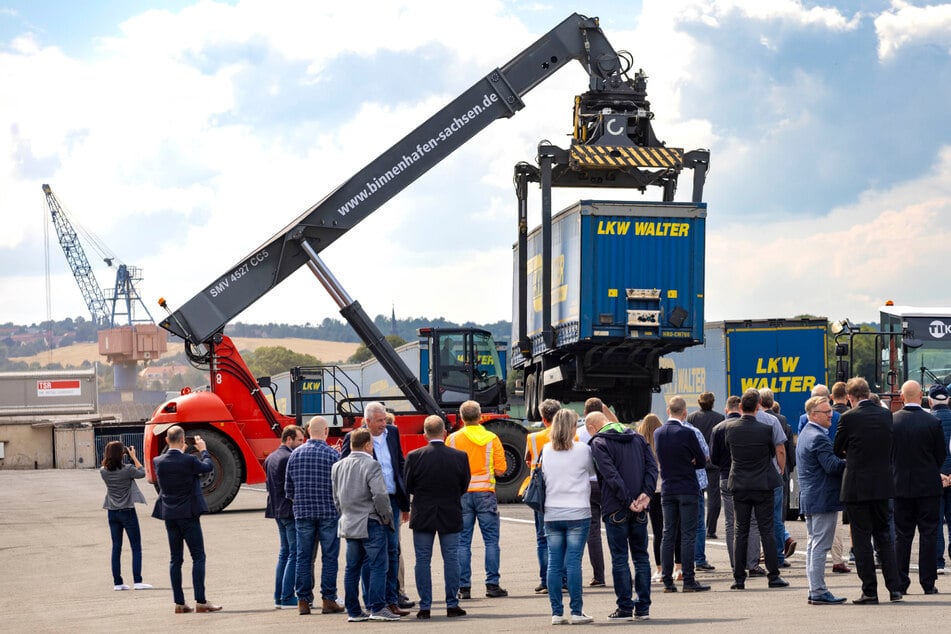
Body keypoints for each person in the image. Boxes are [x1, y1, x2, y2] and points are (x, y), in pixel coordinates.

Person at [833, 377, 903, 604]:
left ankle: (870, 591)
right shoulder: (885, 415)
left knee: (862, 539)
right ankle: (895, 589)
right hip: (883, 484)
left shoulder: (848, 417)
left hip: (857, 485)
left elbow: (837, 449)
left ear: (851, 397)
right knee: (885, 536)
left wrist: (851, 452)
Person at [341, 403, 410, 616]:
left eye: (384, 420)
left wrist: (405, 502)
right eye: (379, 421)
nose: (384, 424)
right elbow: (346, 472)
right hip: (369, 506)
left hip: (393, 501)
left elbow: (399, 463)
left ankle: (390, 600)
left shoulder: (393, 432)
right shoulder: (355, 438)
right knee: (370, 556)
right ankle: (373, 602)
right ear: (367, 421)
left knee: (392, 551)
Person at [588, 410, 657, 621]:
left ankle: (625, 607)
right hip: (640, 506)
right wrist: (645, 494)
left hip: (615, 506)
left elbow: (610, 475)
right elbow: (652, 466)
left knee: (620, 559)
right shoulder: (637, 437)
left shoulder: (598, 442)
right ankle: (643, 607)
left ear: (592, 427)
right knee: (641, 557)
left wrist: (628, 501)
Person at [404, 415, 470, 619]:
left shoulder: (414, 456)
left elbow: (408, 485)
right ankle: (452, 604)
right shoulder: (459, 456)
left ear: (424, 434)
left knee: (422, 560)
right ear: (444, 433)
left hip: (423, 512)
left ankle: (425, 606)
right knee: (451, 558)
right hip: (450, 511)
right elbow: (463, 485)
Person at [151, 426, 221, 613]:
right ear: (183, 441)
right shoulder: (189, 460)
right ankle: (201, 601)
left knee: (175, 559)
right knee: (198, 557)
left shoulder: (158, 461)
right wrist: (203, 450)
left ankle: (179, 603)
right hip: (188, 514)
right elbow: (207, 467)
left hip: (169, 515)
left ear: (166, 440)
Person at [723, 389, 788, 591]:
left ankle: (739, 578)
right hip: (763, 483)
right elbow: (773, 451)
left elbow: (728, 452)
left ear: (741, 407)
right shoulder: (765, 429)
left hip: (740, 484)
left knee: (740, 530)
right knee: (766, 529)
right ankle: (773, 575)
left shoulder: (731, 429)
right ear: (759, 405)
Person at [332, 428, 398, 622]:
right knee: (378, 565)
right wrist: (386, 517)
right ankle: (377, 607)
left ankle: (353, 611)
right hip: (371, 521)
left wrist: (344, 514)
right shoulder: (371, 465)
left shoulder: (338, 466)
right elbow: (379, 495)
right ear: (368, 445)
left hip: (349, 521)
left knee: (352, 568)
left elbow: (336, 497)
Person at [448, 400, 508, 600]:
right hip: (485, 494)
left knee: (462, 542)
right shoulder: (491, 438)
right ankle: (492, 585)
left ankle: (464, 588)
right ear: (480, 416)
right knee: (491, 541)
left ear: (462, 417)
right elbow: (501, 470)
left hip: (462, 494)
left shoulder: (453, 439)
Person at [284, 416, 344, 615]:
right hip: (328, 512)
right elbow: (340, 487)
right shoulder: (332, 455)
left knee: (304, 557)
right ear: (325, 431)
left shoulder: (295, 455)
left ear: (309, 431)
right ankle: (328, 599)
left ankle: (303, 601)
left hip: (303, 513)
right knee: (329, 557)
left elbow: (288, 489)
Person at [892, 380, 945, 595]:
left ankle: (901, 582)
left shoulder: (892, 421)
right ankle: (928, 582)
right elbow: (941, 454)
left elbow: (889, 454)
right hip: (928, 486)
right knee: (929, 534)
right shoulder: (932, 422)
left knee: (902, 535)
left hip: (900, 486)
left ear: (902, 397)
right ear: (921, 395)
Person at [543, 409, 596, 625]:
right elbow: (592, 472)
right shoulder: (583, 450)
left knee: (554, 563)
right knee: (573, 562)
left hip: (552, 511)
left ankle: (556, 613)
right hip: (578, 510)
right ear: (573, 427)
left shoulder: (546, 450)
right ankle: (576, 611)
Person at [654, 395, 709, 593]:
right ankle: (688, 579)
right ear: (684, 413)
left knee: (668, 534)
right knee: (687, 535)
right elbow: (702, 461)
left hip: (668, 488)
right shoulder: (687, 433)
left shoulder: (658, 433)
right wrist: (692, 461)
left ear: (668, 411)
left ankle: (667, 580)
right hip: (687, 487)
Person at [797, 396, 847, 605]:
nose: (831, 415)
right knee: (819, 545)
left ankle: (814, 588)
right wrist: (850, 461)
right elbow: (832, 466)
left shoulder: (806, 434)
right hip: (822, 497)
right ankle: (818, 590)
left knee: (813, 544)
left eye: (830, 411)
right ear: (813, 414)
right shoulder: (818, 437)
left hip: (811, 496)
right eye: (826, 412)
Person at [710, 395, 761, 575]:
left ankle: (736, 564)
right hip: (748, 478)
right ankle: (752, 563)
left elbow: (713, 458)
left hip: (726, 477)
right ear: (740, 408)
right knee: (752, 522)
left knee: (731, 523)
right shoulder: (748, 427)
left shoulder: (718, 428)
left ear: (726, 409)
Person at [100, 440, 151, 592]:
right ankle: (137, 581)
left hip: (112, 511)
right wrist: (134, 457)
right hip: (127, 511)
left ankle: (118, 583)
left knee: (116, 547)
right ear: (122, 454)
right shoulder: (128, 469)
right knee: (136, 547)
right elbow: (142, 473)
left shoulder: (103, 471)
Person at [264, 425, 305, 609]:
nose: (301, 444)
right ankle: (287, 596)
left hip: (276, 510)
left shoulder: (271, 457)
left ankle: (279, 596)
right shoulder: (289, 457)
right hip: (289, 511)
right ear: (289, 439)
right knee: (294, 554)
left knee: (284, 553)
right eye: (299, 441)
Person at [525, 398, 561, 594]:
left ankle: (546, 580)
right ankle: (563, 579)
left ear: (543, 418)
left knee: (543, 538)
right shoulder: (572, 437)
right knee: (562, 536)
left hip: (540, 491)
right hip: (562, 489)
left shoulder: (533, 438)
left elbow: (527, 461)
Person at [759, 388, 794, 566]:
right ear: (772, 402)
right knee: (777, 517)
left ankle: (764, 554)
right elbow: (785, 449)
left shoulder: (751, 420)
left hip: (757, 476)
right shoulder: (781, 420)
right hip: (778, 473)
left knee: (756, 519)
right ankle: (778, 554)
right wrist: (785, 469)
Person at [577, 397, 609, 587]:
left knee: (593, 531)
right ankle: (622, 570)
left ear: (584, 413)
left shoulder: (578, 433)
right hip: (608, 483)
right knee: (615, 527)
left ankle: (599, 576)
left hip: (588, 484)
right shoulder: (611, 430)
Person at [687, 392, 724, 539]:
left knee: (697, 495)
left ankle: (697, 526)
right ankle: (711, 529)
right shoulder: (719, 418)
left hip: (696, 462)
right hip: (713, 462)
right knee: (714, 496)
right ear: (713, 403)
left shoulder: (692, 417)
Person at [681, 409, 714, 572]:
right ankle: (699, 559)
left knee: (676, 524)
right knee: (698, 523)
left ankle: (680, 561)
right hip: (695, 483)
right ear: (685, 413)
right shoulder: (694, 432)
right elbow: (706, 455)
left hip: (674, 483)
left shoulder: (663, 431)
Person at [635, 414, 667, 583]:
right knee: (671, 530)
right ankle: (676, 566)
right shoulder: (663, 441)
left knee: (657, 531)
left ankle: (659, 568)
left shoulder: (640, 444)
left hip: (649, 491)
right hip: (666, 489)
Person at [930, 383, 951, 575]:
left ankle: (938, 562)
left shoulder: (927, 420)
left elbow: (924, 453)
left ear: (929, 401)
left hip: (934, 478)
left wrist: (939, 474)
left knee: (935, 522)